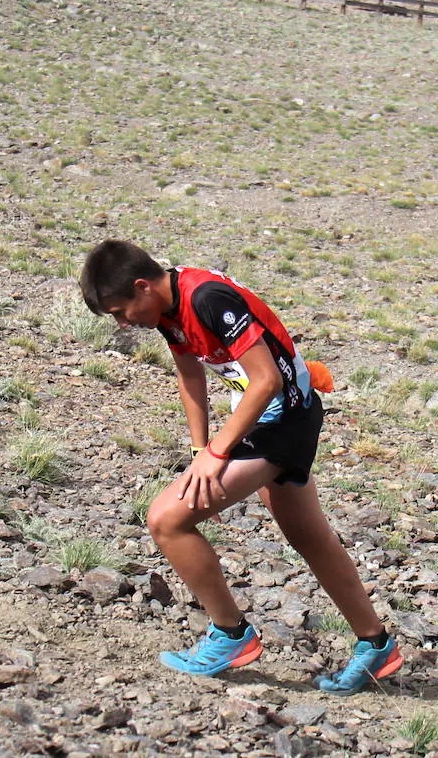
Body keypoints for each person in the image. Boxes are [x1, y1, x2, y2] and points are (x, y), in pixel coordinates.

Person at [79, 239, 398, 695]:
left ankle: (231, 635)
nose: (122, 322)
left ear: (142, 287)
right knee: (309, 537)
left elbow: (266, 379)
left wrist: (218, 451)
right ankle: (377, 645)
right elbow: (190, 375)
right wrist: (199, 451)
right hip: (267, 417)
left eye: (119, 310)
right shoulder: (168, 310)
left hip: (279, 422)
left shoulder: (207, 299)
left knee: (167, 520)